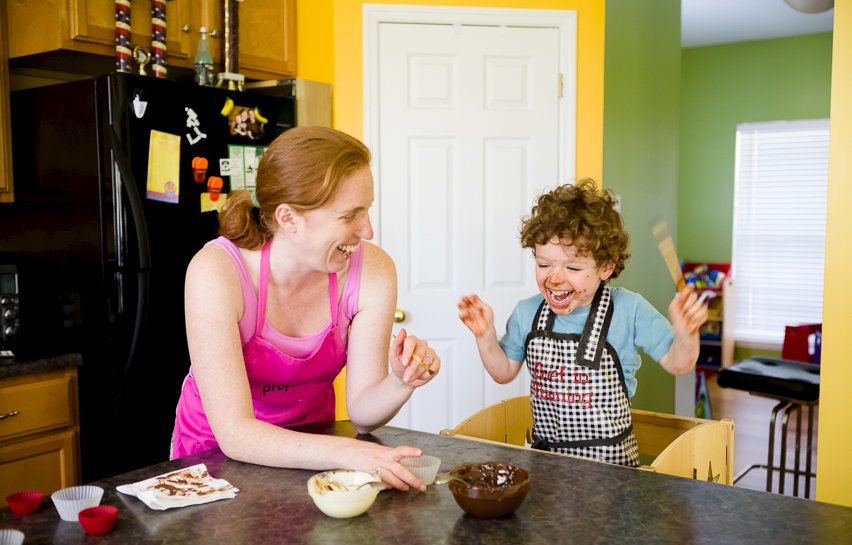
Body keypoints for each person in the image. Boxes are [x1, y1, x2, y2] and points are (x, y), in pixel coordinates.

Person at [171, 126, 441, 491]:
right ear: (288, 218)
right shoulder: (217, 273)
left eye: (368, 211)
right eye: (349, 216)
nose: (368, 230)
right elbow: (235, 434)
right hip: (212, 466)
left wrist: (399, 380)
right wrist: (351, 455)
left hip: (314, 458)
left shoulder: (373, 271)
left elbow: (362, 414)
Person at [457, 179, 707, 466]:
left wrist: (687, 333)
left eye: (572, 267)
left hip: (610, 470)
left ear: (606, 266)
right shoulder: (527, 313)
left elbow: (679, 363)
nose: (555, 278)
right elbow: (503, 372)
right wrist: (485, 335)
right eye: (543, 264)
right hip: (546, 465)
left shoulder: (629, 309)